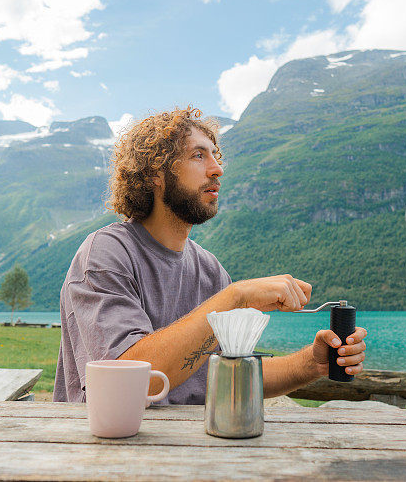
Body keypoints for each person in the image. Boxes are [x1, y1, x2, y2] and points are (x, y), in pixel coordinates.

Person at [53, 106, 366, 403]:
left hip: (195, 452)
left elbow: (229, 370)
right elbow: (129, 381)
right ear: (154, 176)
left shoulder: (210, 271)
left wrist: (312, 363)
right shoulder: (106, 253)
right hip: (111, 451)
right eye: (198, 155)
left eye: (215, 156)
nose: (217, 169)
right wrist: (235, 297)